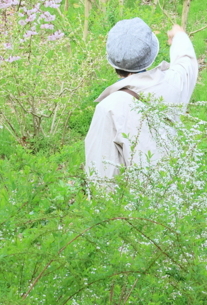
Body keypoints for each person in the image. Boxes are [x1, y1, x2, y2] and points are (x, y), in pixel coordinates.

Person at [85, 18, 198, 185]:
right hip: (174, 199)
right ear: (151, 53)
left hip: (136, 206)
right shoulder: (173, 84)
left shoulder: (108, 108)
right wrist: (180, 36)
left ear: (111, 59)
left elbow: (101, 175)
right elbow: (187, 63)